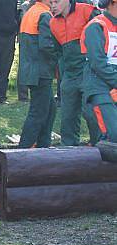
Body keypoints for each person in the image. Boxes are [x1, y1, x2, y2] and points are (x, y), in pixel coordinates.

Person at [50, 0, 100, 145]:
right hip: (69, 72)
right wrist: (63, 75)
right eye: (51, 2)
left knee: (91, 112)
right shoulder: (53, 23)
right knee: (67, 116)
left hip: (89, 69)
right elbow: (59, 52)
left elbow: (104, 37)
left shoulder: (87, 11)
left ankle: (100, 147)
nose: (53, 5)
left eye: (56, 1)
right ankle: (68, 151)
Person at [18, 0, 57, 148]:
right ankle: (23, 150)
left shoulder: (31, 11)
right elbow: (47, 45)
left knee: (50, 110)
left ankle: (43, 147)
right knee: (38, 113)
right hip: (40, 71)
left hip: (31, 69)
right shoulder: (44, 15)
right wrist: (61, 54)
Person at [80, 0, 117, 141]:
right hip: (99, 86)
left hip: (112, 82)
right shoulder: (96, 27)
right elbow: (98, 63)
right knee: (113, 135)